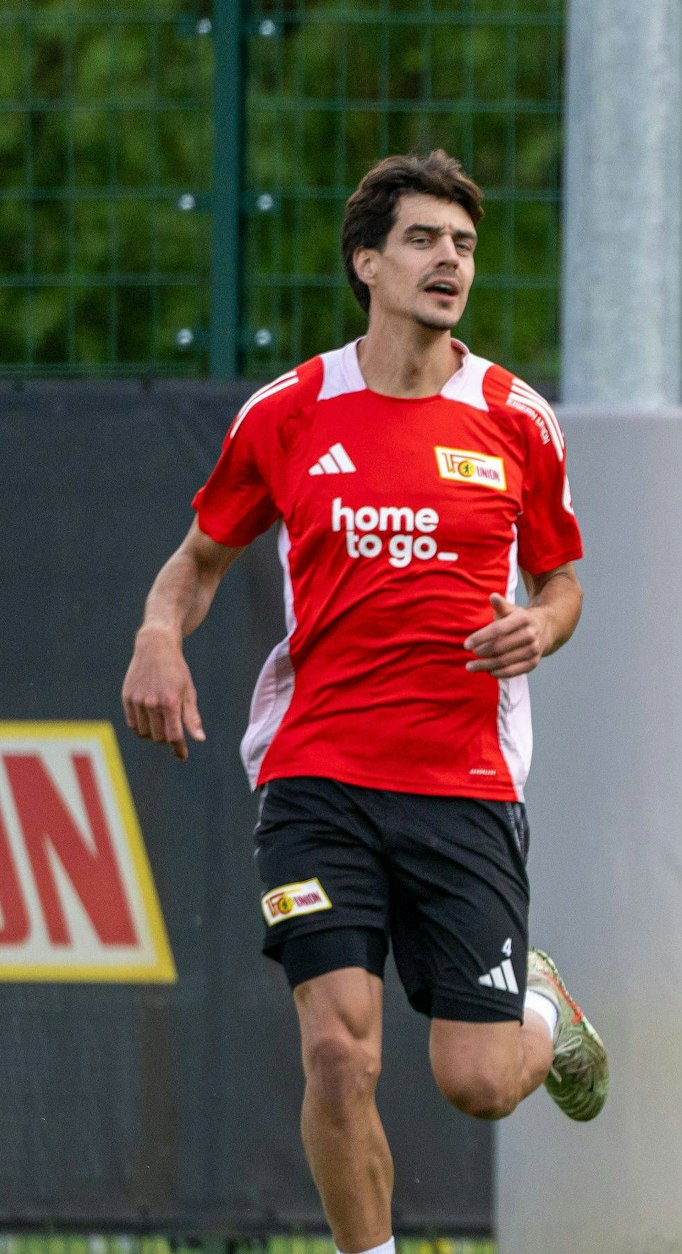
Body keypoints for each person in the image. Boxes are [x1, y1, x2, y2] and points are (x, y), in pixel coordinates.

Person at [121, 150, 608, 1254]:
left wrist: (544, 625)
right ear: (368, 263)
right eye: (426, 241)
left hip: (463, 783)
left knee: (477, 1083)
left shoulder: (516, 418)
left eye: (466, 246)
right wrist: (158, 635)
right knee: (340, 1051)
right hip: (317, 775)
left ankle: (541, 1015)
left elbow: (564, 580)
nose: (451, 263)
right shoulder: (290, 412)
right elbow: (196, 561)